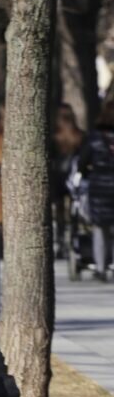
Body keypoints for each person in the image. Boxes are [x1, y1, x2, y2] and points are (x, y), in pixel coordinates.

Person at [79, 98, 114, 282]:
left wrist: (85, 174)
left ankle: (101, 268)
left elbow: (82, 162)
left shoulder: (95, 138)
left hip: (99, 185)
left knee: (100, 228)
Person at [52, 103, 85, 258]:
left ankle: (60, 240)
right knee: (73, 210)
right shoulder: (79, 135)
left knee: (59, 211)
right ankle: (71, 239)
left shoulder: (54, 135)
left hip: (57, 177)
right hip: (73, 178)